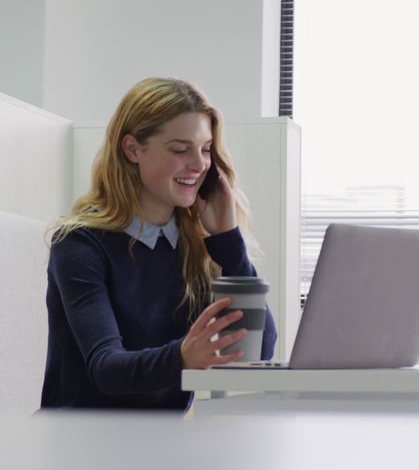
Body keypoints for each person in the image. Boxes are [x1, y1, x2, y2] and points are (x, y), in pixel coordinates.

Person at [40, 77, 276, 411]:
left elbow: (259, 350)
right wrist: (183, 356)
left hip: (162, 445)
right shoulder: (79, 244)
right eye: (181, 150)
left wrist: (228, 241)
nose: (199, 165)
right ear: (133, 149)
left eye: (206, 149)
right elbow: (106, 368)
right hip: (81, 440)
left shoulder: (195, 245)